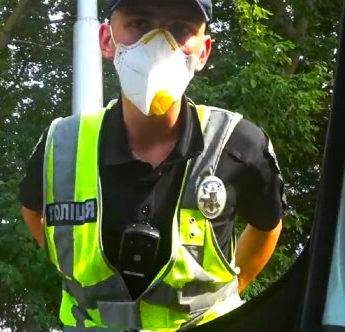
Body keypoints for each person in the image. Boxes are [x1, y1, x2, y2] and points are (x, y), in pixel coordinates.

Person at [19, 0, 286, 330]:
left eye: (179, 29)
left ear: (203, 52)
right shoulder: (61, 144)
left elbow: (267, 224)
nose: (159, 45)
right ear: (106, 40)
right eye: (140, 24)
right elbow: (34, 211)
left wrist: (227, 291)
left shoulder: (239, 144)